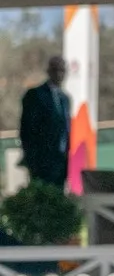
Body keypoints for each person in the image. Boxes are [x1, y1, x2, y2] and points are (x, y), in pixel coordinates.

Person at [19, 56, 71, 190]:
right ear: (49, 71)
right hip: (41, 161)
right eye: (55, 70)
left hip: (61, 161)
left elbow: (65, 128)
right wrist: (31, 159)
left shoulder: (64, 99)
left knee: (58, 199)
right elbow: (27, 129)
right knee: (41, 198)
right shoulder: (36, 95)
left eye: (62, 71)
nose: (59, 74)